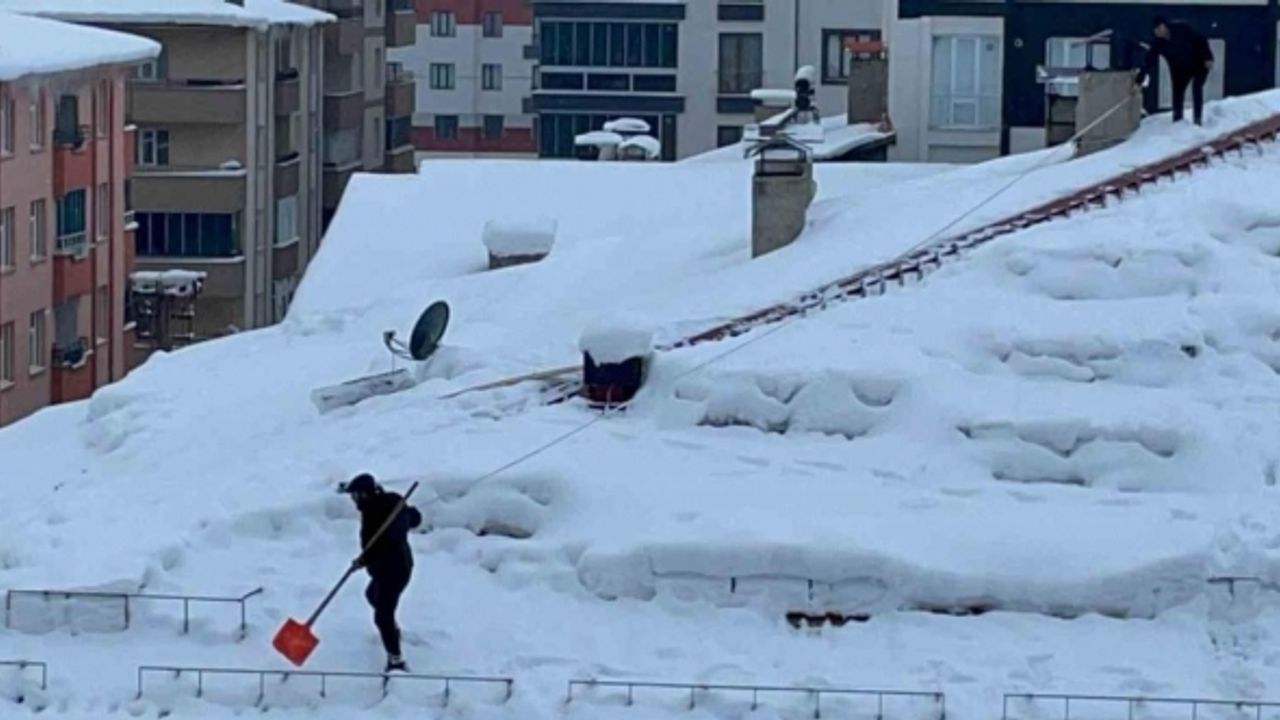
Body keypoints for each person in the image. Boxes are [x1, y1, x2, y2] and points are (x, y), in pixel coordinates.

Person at [342, 473, 423, 672]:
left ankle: (396, 660)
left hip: (395, 570)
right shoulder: (381, 506)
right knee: (372, 595)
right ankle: (392, 631)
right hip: (385, 569)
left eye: (355, 496)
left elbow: (387, 543)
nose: (353, 501)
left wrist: (364, 560)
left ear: (364, 495)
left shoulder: (385, 508)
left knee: (382, 615)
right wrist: (364, 559)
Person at [1136, 16, 1214, 126]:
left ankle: (1197, 119)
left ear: (1165, 25)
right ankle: (1178, 120)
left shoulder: (1181, 28)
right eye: (1155, 30)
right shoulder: (1158, 43)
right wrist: (1142, 75)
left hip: (1198, 63)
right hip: (1179, 69)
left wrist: (1208, 57)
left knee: (1197, 87)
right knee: (1177, 92)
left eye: (1159, 28)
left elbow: (1201, 40)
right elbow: (1150, 59)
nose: (1157, 32)